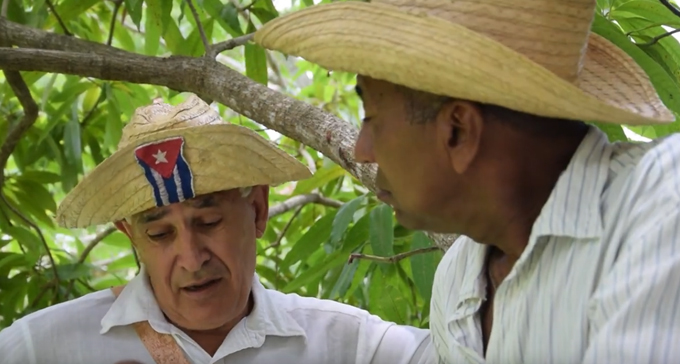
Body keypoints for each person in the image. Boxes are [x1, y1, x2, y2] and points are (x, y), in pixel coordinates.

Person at [253, 0, 680, 363]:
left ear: (458, 131)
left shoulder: (660, 209)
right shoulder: (458, 281)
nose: (363, 150)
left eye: (372, 117)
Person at [0, 94, 434, 364]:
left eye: (208, 221)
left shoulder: (347, 345)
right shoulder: (44, 347)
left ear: (258, 210)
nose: (192, 258)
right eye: (159, 234)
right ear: (130, 236)